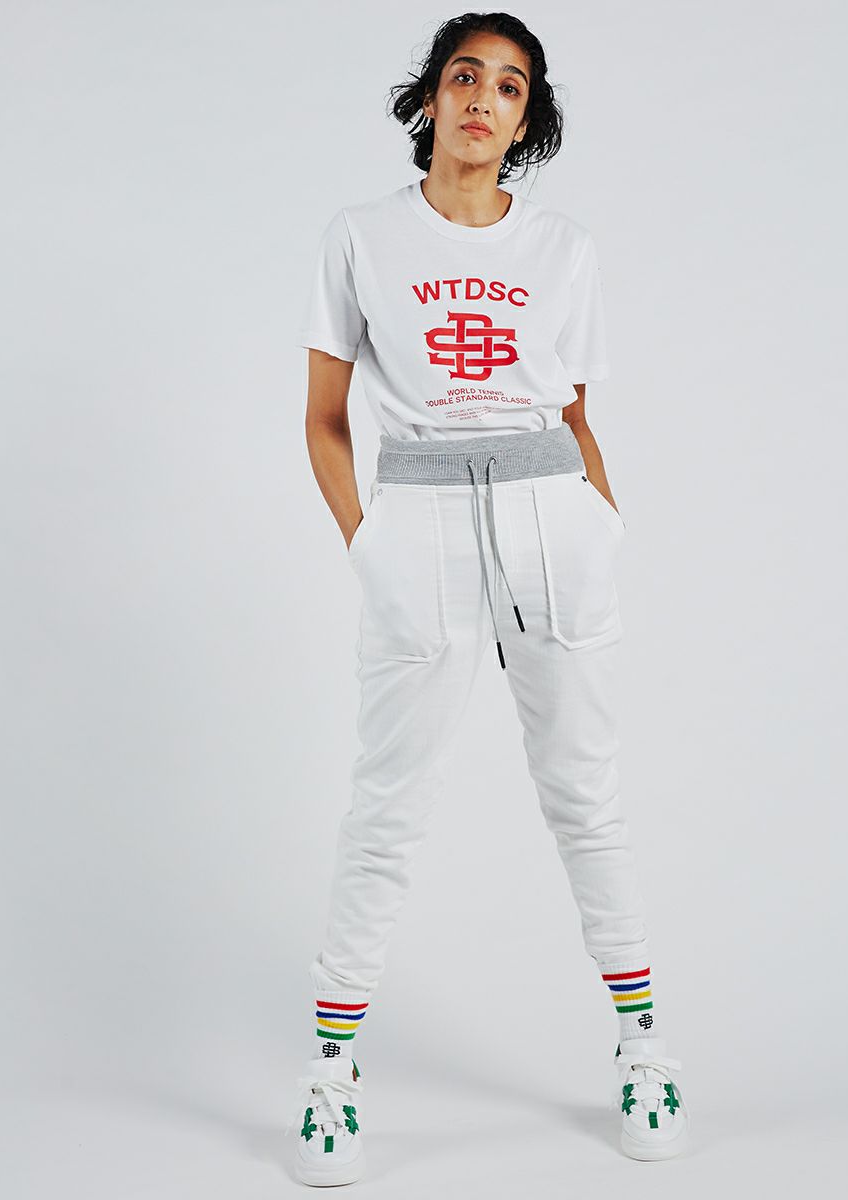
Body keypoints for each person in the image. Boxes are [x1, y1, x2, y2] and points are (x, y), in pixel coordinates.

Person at [284, 13, 690, 1186]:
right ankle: (330, 1074)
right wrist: (368, 542)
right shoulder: (360, 238)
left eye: (509, 87)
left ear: (526, 120)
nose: (482, 99)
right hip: (416, 520)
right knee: (386, 806)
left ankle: (645, 1049)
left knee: (585, 796)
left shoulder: (563, 248)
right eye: (464, 76)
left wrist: (601, 524)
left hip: (551, 519)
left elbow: (575, 412)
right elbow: (322, 419)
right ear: (429, 100)